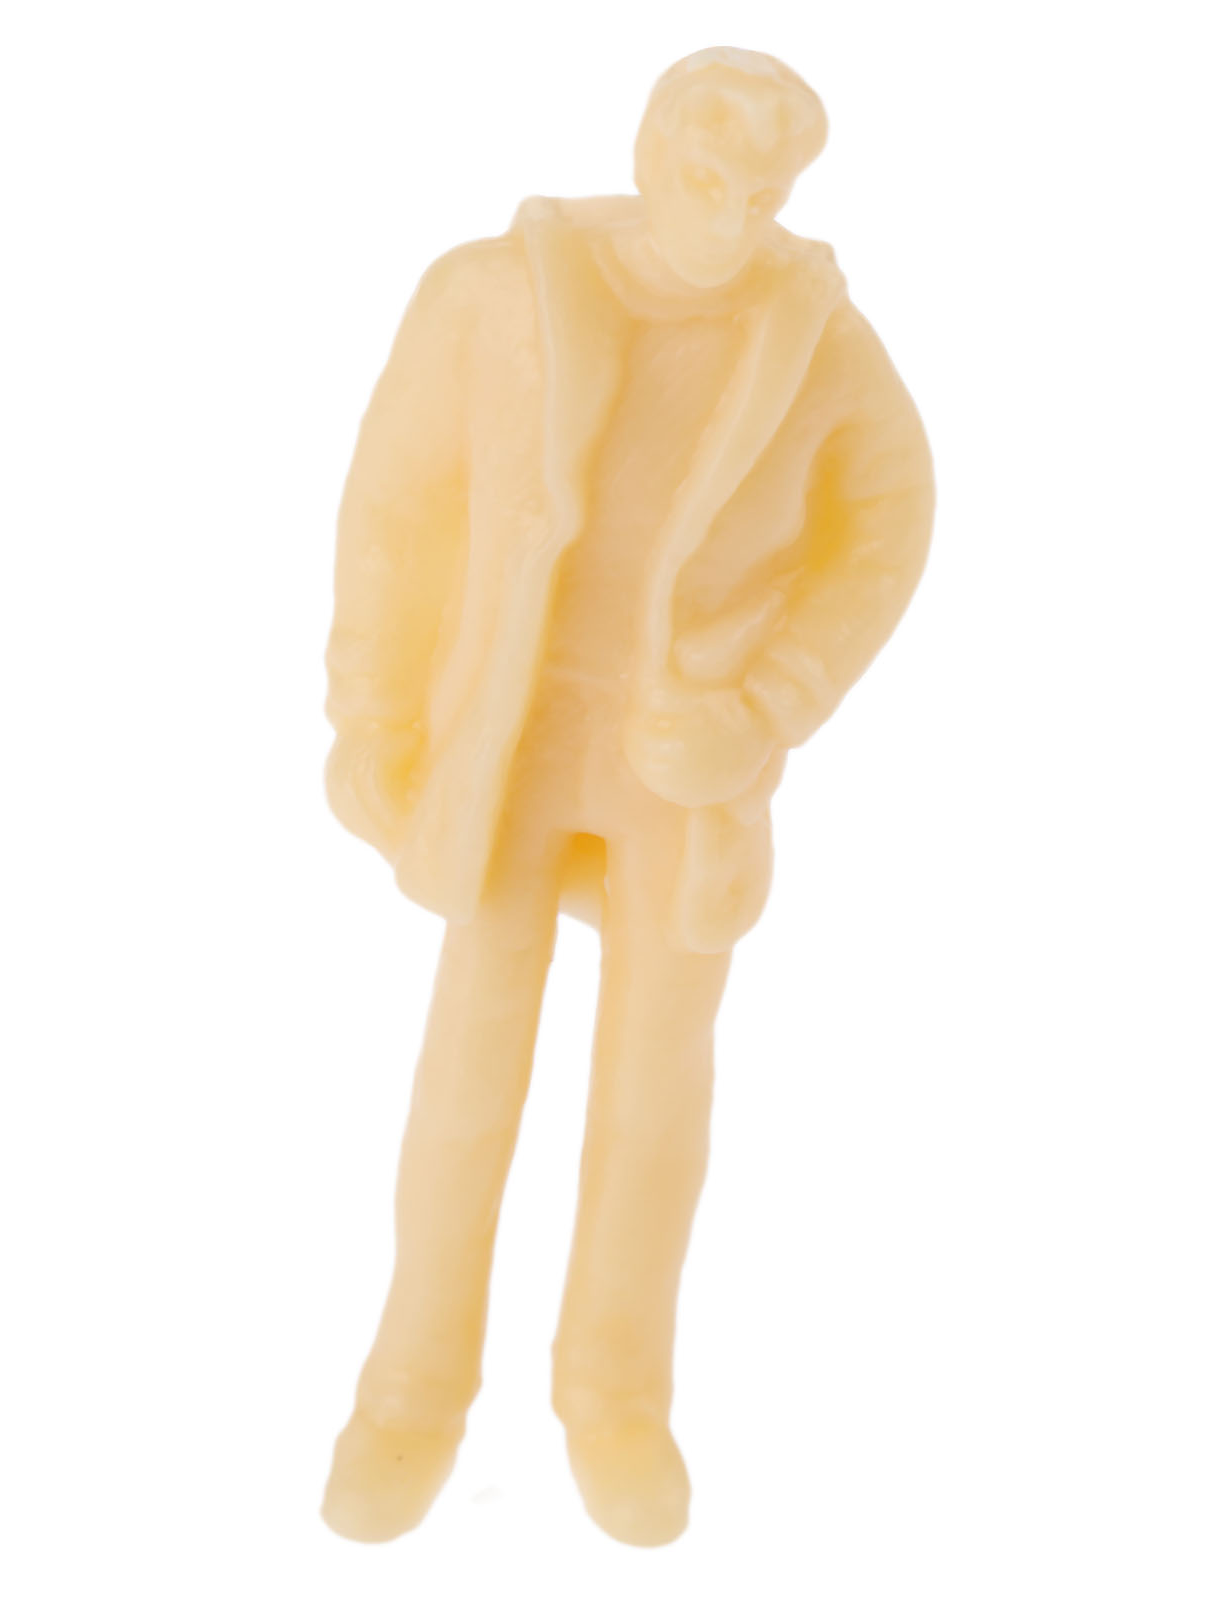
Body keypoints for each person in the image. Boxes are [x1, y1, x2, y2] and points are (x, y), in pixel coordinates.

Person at [321, 46, 934, 1546]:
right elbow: (394, 505)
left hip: (685, 760)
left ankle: (615, 1392)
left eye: (765, 193)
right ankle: (411, 1391)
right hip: (508, 737)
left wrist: (767, 707)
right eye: (712, 178)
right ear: (654, 150)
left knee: (654, 1082)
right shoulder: (492, 295)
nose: (734, 216)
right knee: (468, 1073)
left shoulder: (819, 340)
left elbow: (890, 520)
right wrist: (372, 714)